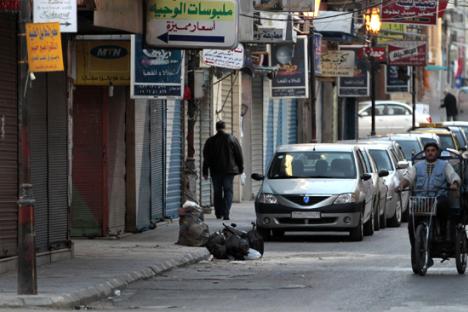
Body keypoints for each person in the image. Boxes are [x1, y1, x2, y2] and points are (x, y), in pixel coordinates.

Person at [399, 142, 461, 266]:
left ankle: (443, 235)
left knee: (444, 205)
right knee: (411, 224)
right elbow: (408, 178)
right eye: (428, 150)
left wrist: (454, 184)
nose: (430, 152)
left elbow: (454, 177)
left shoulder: (445, 165)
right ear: (425, 152)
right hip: (421, 201)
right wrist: (401, 185)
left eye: (433, 150)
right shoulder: (417, 166)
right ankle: (417, 250)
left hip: (438, 199)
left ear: (437, 152)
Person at [203, 121, 244, 220]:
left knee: (217, 192)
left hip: (215, 170)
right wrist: (241, 167)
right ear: (225, 128)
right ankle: (226, 213)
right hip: (229, 171)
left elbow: (206, 157)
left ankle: (218, 213)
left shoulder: (210, 141)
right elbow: (239, 154)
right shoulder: (232, 138)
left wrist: (205, 171)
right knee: (228, 191)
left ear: (216, 128)